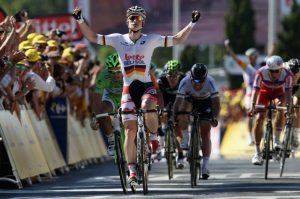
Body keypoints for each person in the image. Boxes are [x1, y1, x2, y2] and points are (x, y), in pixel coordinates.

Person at [72, 5, 200, 183]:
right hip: (128, 89)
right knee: (130, 130)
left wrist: (192, 23)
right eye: (132, 17)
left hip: (146, 86)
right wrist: (79, 20)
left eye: (138, 18)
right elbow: (92, 37)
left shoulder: (151, 39)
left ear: (143, 22)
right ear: (127, 21)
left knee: (148, 107)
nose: (134, 20)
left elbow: (178, 39)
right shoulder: (117, 39)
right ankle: (132, 169)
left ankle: (154, 138)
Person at [173, 63, 220, 179]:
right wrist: (175, 116)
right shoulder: (185, 81)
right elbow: (178, 102)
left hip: (206, 101)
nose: (198, 84)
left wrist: (214, 117)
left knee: (205, 130)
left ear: (205, 78)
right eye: (195, 81)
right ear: (191, 78)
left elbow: (216, 104)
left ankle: (205, 166)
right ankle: (185, 136)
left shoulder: (210, 82)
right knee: (182, 113)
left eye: (201, 81)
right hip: (190, 100)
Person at [250, 55, 293, 165]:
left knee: (281, 107)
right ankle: (257, 152)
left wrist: (289, 108)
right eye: (271, 71)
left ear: (281, 69)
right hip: (264, 93)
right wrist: (252, 106)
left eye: (277, 71)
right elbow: (255, 91)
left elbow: (288, 94)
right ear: (267, 68)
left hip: (279, 94)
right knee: (259, 118)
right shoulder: (260, 72)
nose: (274, 74)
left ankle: (277, 139)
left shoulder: (287, 75)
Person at [224, 39, 258, 145]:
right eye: (248, 56)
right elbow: (236, 59)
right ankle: (250, 135)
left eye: (252, 56)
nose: (250, 58)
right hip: (249, 93)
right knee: (250, 113)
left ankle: (259, 132)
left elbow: (269, 57)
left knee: (260, 115)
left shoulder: (261, 66)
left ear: (255, 57)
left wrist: (273, 48)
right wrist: (229, 49)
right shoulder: (246, 67)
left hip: (260, 92)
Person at [90, 52, 123, 156]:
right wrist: (95, 117)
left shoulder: (129, 74)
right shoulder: (103, 75)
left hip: (127, 96)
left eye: (118, 71)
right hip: (111, 97)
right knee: (103, 114)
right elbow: (97, 98)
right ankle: (111, 140)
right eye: (112, 72)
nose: (115, 75)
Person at [157, 60, 186, 168]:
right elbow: (157, 98)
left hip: (179, 100)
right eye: (170, 76)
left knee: (177, 126)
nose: (173, 79)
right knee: (160, 114)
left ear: (180, 75)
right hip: (164, 100)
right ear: (166, 74)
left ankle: (180, 154)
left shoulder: (184, 80)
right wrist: (160, 111)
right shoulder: (161, 80)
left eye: (175, 76)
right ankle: (161, 134)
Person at [285, 58, 300, 149]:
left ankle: (296, 134)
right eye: (291, 74)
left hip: (297, 90)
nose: (294, 77)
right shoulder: (283, 70)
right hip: (286, 88)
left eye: (296, 75)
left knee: (296, 107)